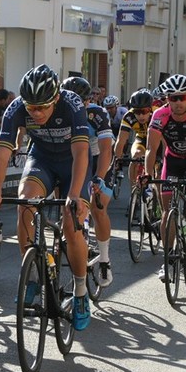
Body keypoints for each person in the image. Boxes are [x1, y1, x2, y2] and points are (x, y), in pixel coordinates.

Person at [0, 64, 92, 331]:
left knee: (72, 222)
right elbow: (2, 152)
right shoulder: (16, 108)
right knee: (25, 203)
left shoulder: (72, 104)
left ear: (56, 98)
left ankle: (80, 292)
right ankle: (32, 274)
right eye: (32, 108)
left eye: (43, 107)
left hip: (72, 163)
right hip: (42, 159)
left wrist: (74, 195)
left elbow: (81, 152)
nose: (37, 113)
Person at [143, 74, 186, 280]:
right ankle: (168, 259)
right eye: (173, 98)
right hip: (172, 159)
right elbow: (151, 148)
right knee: (167, 211)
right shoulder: (159, 115)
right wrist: (147, 174)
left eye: (183, 97)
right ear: (167, 99)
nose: (178, 102)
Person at [62, 76, 115, 288]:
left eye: (81, 100)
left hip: (97, 160)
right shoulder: (59, 113)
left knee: (97, 208)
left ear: (88, 100)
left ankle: (104, 259)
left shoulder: (97, 113)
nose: (75, 105)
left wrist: (99, 177)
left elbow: (106, 149)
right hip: (73, 160)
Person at [115, 89, 154, 184]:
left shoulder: (157, 113)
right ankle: (134, 190)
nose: (141, 115)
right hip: (141, 139)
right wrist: (117, 160)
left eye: (145, 111)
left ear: (150, 108)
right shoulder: (129, 116)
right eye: (137, 111)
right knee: (135, 157)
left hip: (156, 141)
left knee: (158, 172)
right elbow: (121, 140)